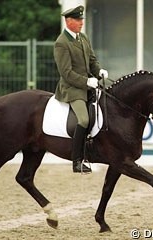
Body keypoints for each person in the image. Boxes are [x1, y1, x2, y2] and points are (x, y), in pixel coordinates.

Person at [53, 5, 108, 173]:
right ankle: (77, 161)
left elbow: (92, 60)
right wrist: (86, 82)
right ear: (68, 21)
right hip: (72, 89)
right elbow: (66, 73)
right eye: (78, 20)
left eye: (82, 19)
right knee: (83, 119)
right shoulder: (61, 43)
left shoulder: (82, 38)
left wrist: (99, 71)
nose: (81, 22)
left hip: (88, 85)